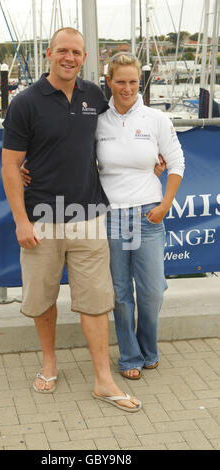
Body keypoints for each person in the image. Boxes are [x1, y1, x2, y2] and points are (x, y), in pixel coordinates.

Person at [1, 27, 142, 412]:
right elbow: (11, 165)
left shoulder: (94, 94)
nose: (69, 57)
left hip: (89, 216)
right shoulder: (26, 103)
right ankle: (49, 363)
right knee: (43, 299)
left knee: (96, 302)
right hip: (41, 218)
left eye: (76, 52)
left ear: (84, 58)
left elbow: (122, 128)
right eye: (62, 50)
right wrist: (20, 221)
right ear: (49, 54)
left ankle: (102, 380)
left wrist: (153, 159)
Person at [95, 52, 185, 379]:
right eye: (120, 81)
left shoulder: (156, 119)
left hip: (149, 215)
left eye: (133, 81)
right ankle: (130, 356)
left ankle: (149, 348)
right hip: (113, 216)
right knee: (119, 294)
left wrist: (165, 206)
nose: (127, 88)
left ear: (139, 82)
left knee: (151, 291)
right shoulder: (98, 121)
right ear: (109, 82)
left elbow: (176, 164)